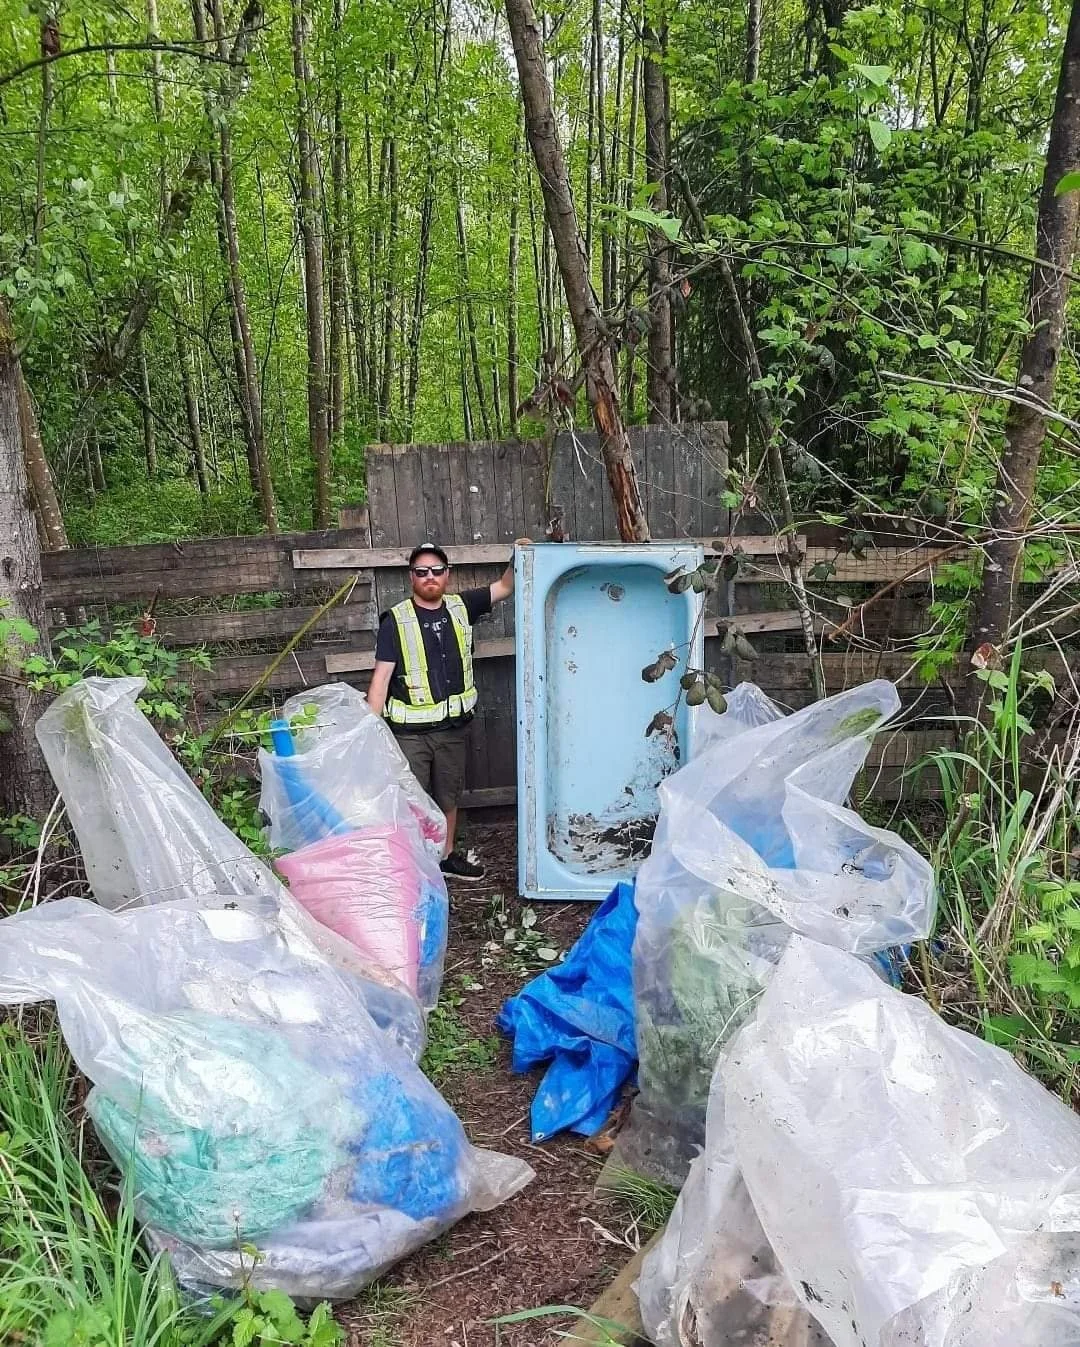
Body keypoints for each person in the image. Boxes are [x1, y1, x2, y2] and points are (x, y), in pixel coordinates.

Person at [367, 540, 528, 882]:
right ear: (412, 577)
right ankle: (413, 867)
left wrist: (519, 555)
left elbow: (505, 586)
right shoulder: (395, 621)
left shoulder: (460, 607)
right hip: (410, 736)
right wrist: (369, 729)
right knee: (412, 800)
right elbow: (381, 678)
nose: (430, 577)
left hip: (453, 730)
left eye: (436, 571)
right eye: (422, 571)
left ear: (447, 575)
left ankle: (444, 857)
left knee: (448, 796)